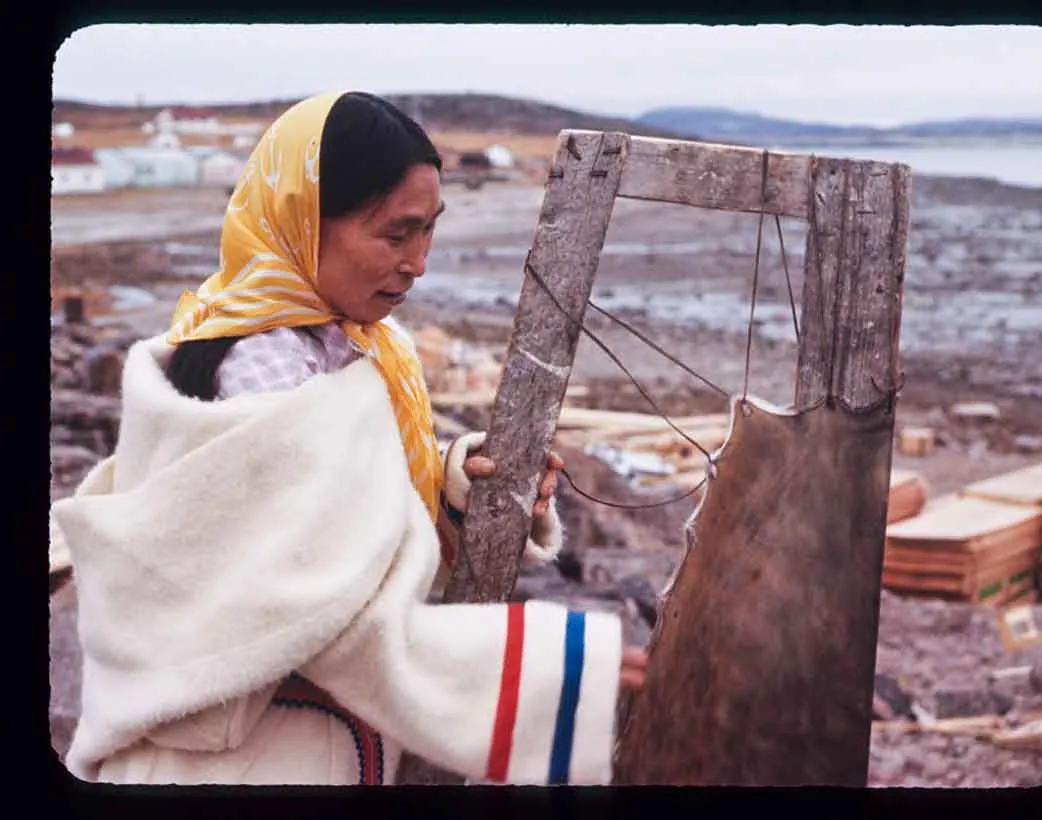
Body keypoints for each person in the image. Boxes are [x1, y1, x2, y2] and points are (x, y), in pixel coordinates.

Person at [48, 90, 647, 787]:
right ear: (304, 223)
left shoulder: (352, 346)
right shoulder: (262, 367)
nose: (418, 262)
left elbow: (343, 515)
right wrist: (553, 672)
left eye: (429, 231)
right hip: (239, 764)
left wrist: (456, 486)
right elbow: (319, 609)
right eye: (396, 234)